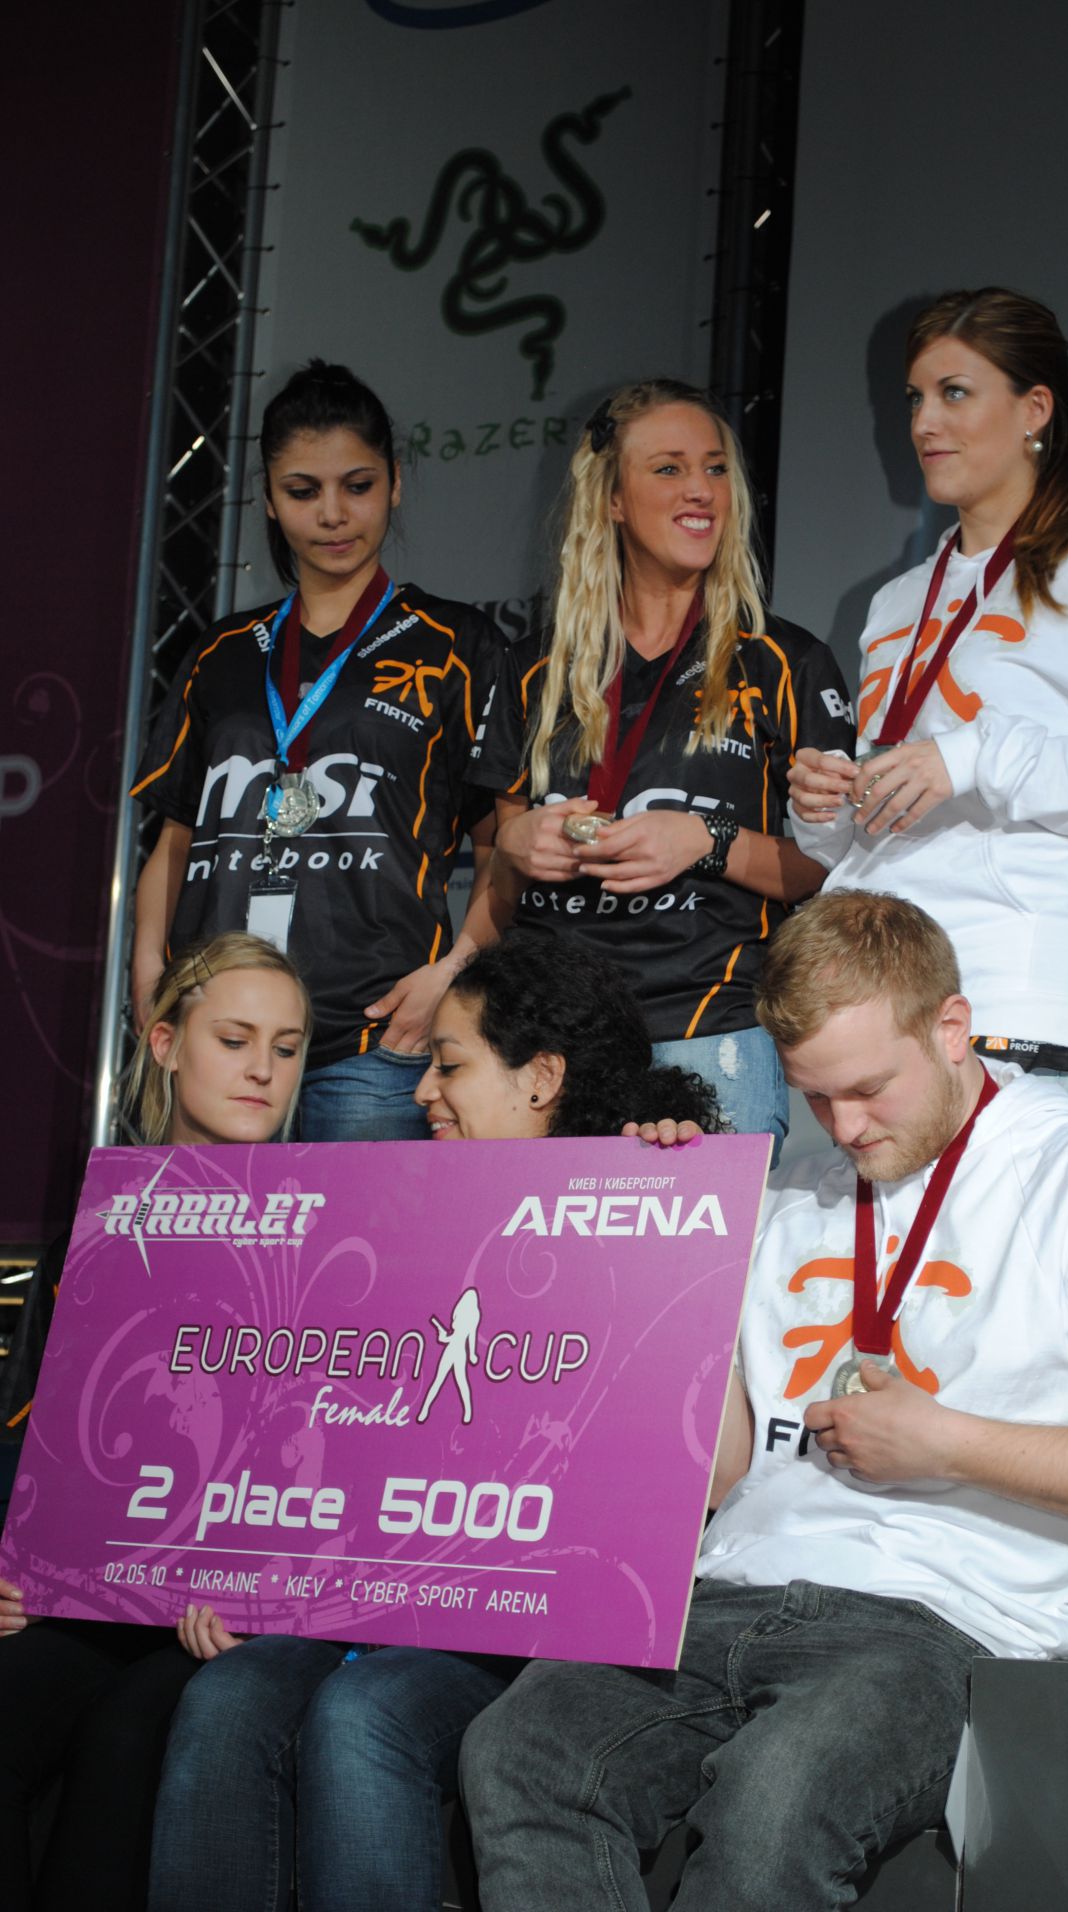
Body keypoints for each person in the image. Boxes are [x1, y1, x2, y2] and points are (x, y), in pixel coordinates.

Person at [459, 890, 1068, 1911]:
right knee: (519, 1748)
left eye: (870, 1089)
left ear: (951, 1027)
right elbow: (728, 1467)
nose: (844, 1127)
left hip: (949, 1620)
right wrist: (674, 1244)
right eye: (814, 1096)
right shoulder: (796, 1189)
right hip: (730, 1591)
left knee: (776, 1793)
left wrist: (949, 1444)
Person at [147, 931, 722, 1912]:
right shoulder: (394, 1215)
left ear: (541, 1079)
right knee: (229, 1693)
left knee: (364, 1711)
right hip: (377, 1604)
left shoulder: (655, 1203)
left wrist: (671, 1176)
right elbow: (320, 1440)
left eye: (448, 1066)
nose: (421, 1094)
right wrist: (246, 1574)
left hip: (532, 1636)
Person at [788, 289, 1068, 1107]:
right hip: (878, 1005)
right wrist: (825, 807)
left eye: (954, 393)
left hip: (1013, 996)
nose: (923, 423)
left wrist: (979, 757)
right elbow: (874, 823)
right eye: (914, 398)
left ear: (1034, 410)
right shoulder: (895, 601)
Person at [0, 934, 311, 1912]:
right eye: (234, 1039)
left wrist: (269, 1594)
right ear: (168, 1044)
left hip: (228, 1615)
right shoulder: (99, 1224)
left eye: (288, 1047)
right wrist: (11, 1569)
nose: (263, 1070)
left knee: (132, 1735)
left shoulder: (342, 1229)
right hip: (89, 1597)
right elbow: (29, 1429)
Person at [471, 377, 857, 1155]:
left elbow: (824, 867)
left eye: (715, 469)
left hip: (709, 1032)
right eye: (669, 468)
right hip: (547, 1045)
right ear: (612, 499)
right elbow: (498, 868)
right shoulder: (529, 668)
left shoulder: (786, 662)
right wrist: (515, 844)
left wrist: (704, 841)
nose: (701, 490)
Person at [130, 359, 505, 1141]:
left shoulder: (455, 642)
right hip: (219, 1032)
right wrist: (149, 979)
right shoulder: (223, 651)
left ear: (394, 484)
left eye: (357, 486)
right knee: (209, 1225)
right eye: (303, 491)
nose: (333, 515)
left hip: (373, 1039)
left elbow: (502, 842)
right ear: (269, 499)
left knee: (362, 1230)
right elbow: (174, 838)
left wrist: (451, 974)